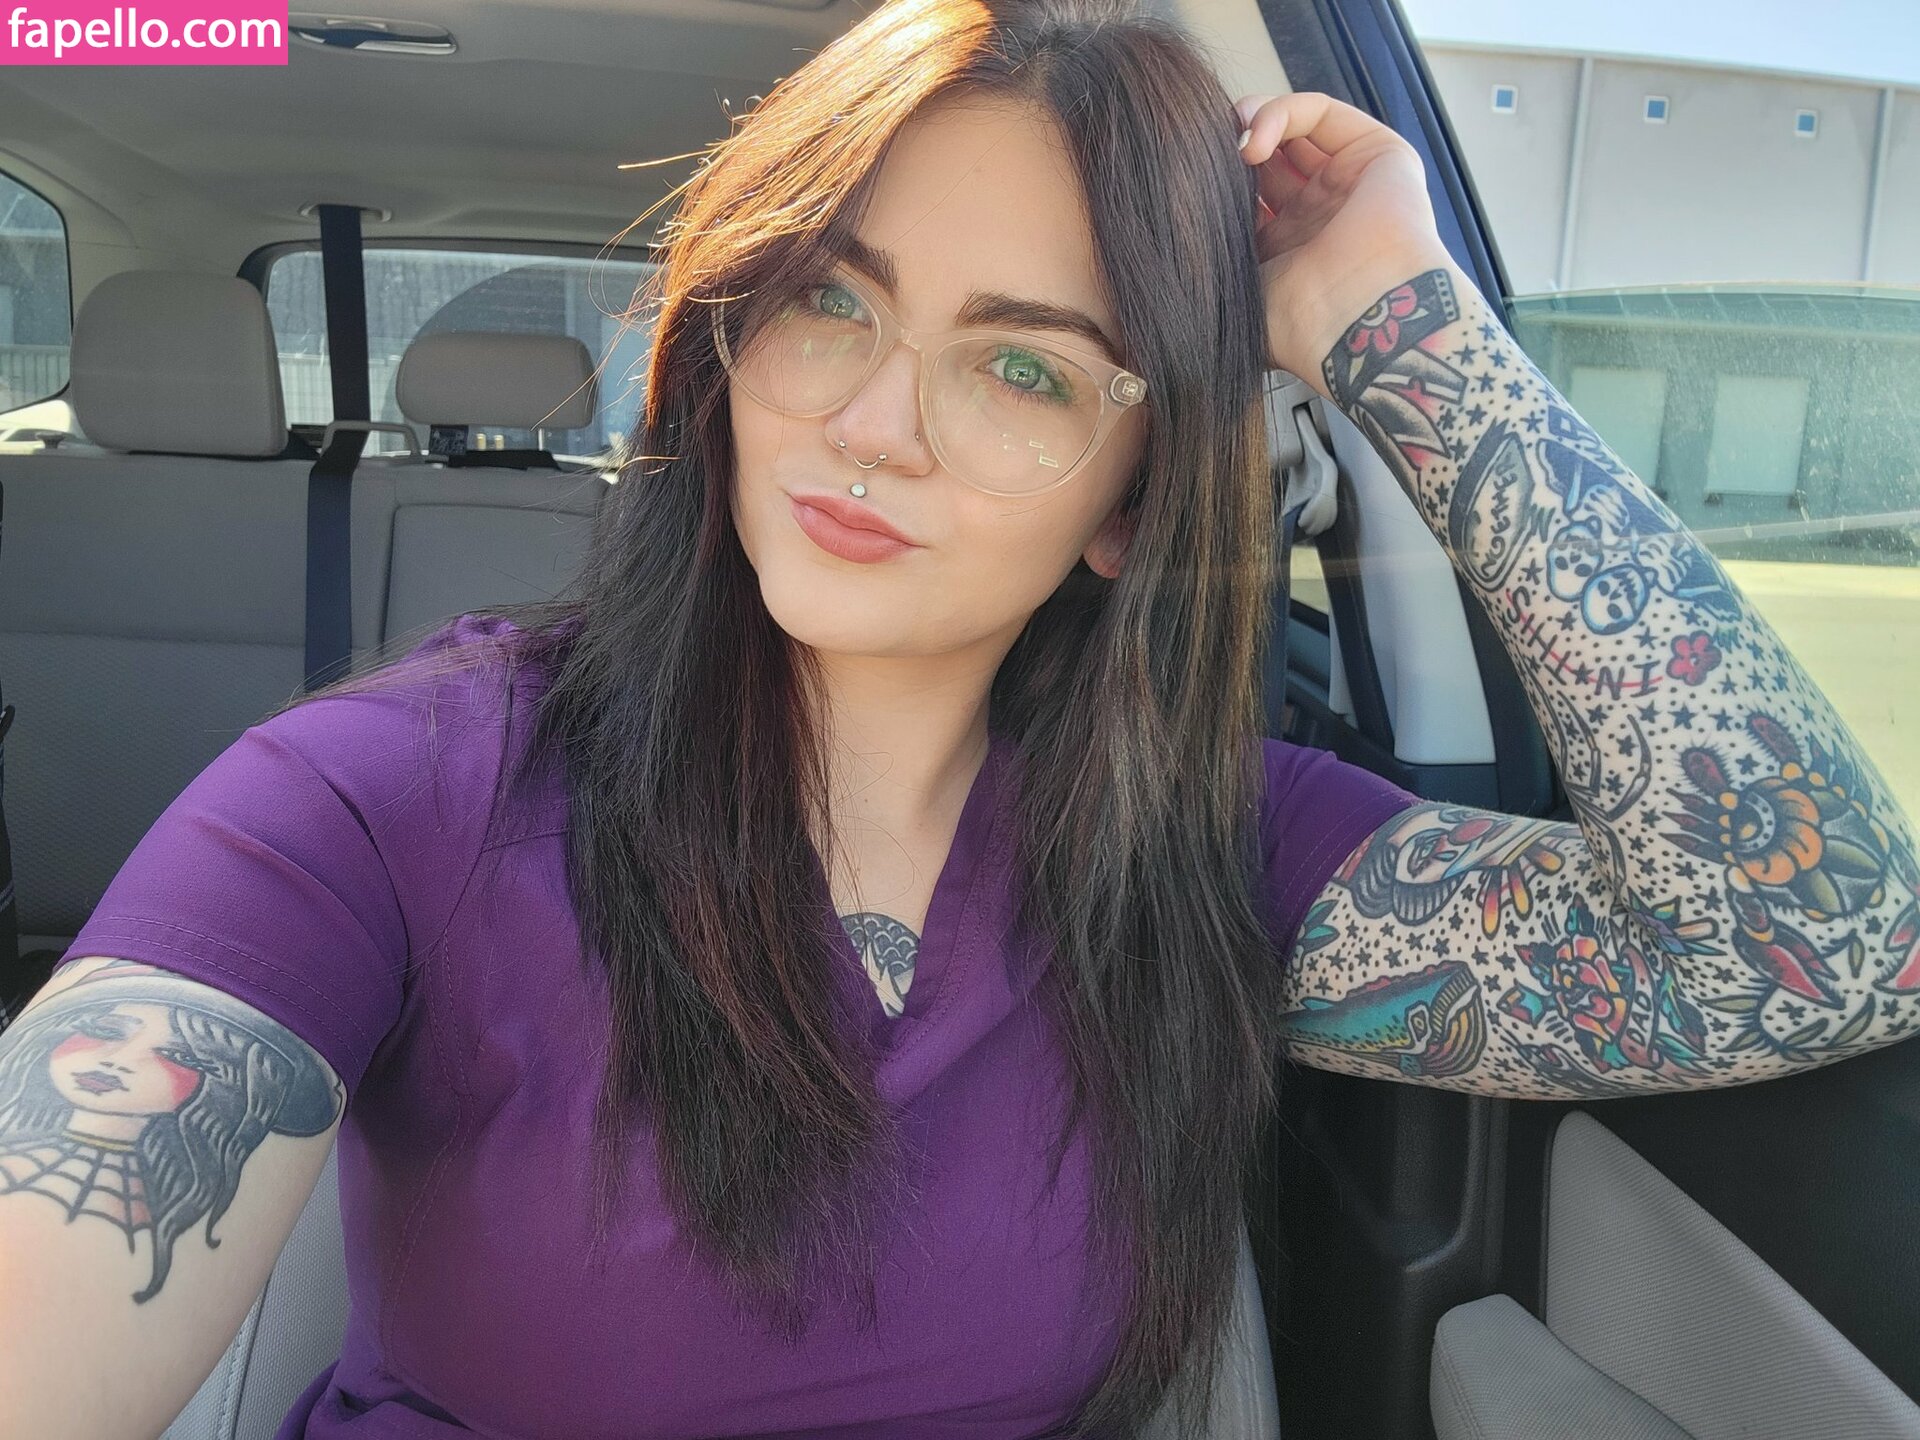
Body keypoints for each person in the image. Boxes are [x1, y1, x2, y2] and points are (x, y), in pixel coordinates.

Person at [3, 0, 1916, 1435]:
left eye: (1025, 369)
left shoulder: (1211, 854)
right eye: (829, 303)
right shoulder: (386, 795)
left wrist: (1400, 315)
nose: (873, 424)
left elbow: (1809, 944)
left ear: (1130, 511)